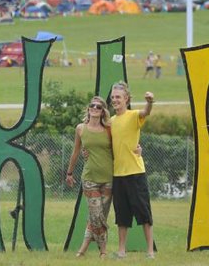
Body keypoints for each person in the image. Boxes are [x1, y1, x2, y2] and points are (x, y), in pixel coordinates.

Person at [110, 81, 155, 259]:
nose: (115, 100)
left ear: (126, 99)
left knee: (144, 212)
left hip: (135, 173)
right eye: (113, 97)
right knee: (122, 215)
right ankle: (121, 251)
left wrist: (150, 102)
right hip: (118, 174)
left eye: (118, 97)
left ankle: (150, 251)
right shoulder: (110, 121)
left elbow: (146, 112)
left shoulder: (134, 115)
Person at [66, 96, 114, 258]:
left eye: (98, 107)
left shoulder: (109, 129)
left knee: (100, 216)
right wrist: (69, 173)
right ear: (88, 109)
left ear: (103, 111)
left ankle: (83, 249)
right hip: (89, 178)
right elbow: (76, 152)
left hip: (109, 179)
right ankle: (103, 251)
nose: (94, 108)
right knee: (96, 214)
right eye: (92, 106)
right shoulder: (80, 128)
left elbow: (118, 149)